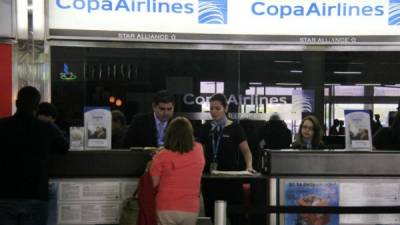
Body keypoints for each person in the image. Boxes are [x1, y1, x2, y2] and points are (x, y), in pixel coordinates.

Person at [0, 86, 69, 225]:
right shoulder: (46, 128)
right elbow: (64, 147)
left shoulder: (2, 126)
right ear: (36, 107)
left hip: (5, 195)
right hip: (36, 194)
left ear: (17, 103)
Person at [199, 93, 255, 225]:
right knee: (213, 216)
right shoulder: (206, 127)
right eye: (211, 108)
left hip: (231, 180)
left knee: (236, 216)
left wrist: (249, 166)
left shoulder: (235, 128)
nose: (213, 112)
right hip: (210, 180)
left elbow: (247, 152)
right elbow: (199, 151)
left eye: (217, 108)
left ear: (226, 108)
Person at [149, 117, 205, 225]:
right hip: (191, 209)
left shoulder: (162, 155)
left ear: (169, 133)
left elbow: (152, 183)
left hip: (166, 207)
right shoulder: (199, 150)